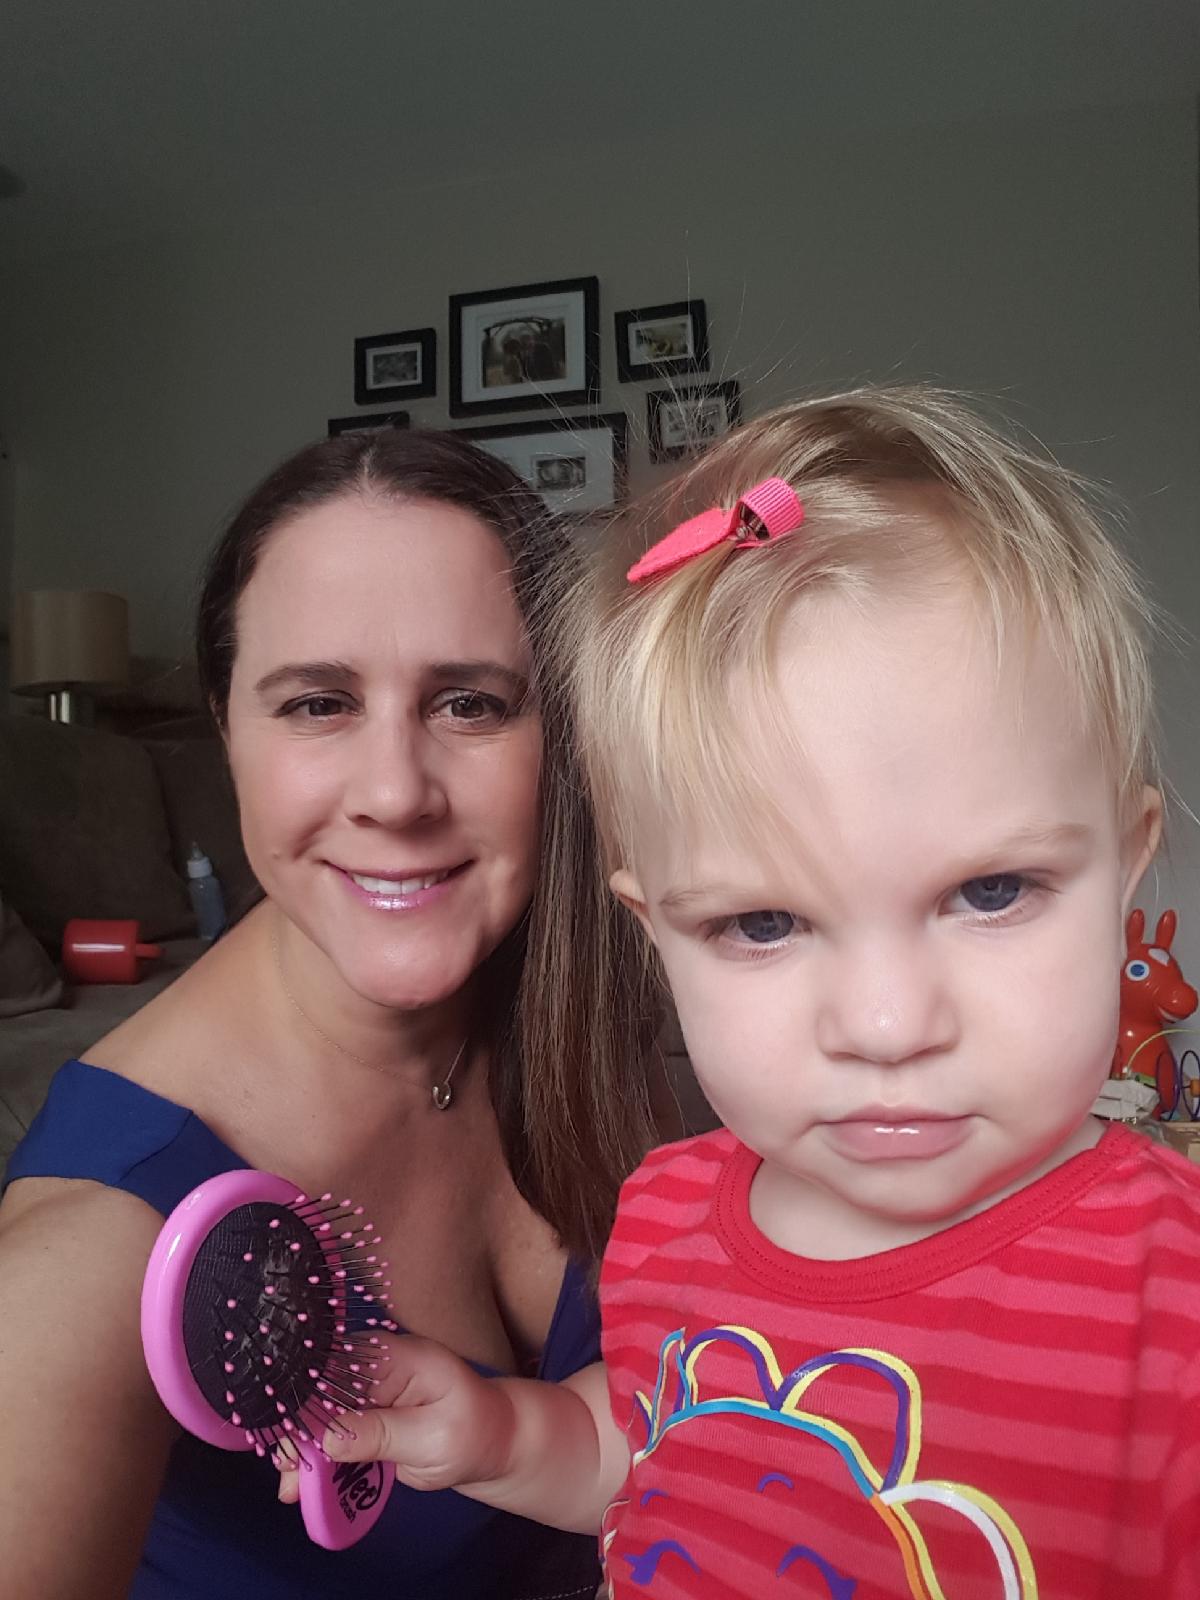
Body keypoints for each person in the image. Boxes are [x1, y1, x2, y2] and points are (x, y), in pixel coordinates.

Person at [309, 389, 1200, 1597]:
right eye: (764, 923)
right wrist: (504, 1437)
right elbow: (656, 1448)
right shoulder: (667, 1213)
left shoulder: (1171, 1291)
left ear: (1128, 862)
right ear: (655, 930)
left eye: (991, 892)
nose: (887, 1026)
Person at [0, 428, 660, 1600]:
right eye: (317, 703)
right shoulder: (86, 1253)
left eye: (470, 701)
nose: (397, 793)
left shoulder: (591, 987)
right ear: (226, 727)